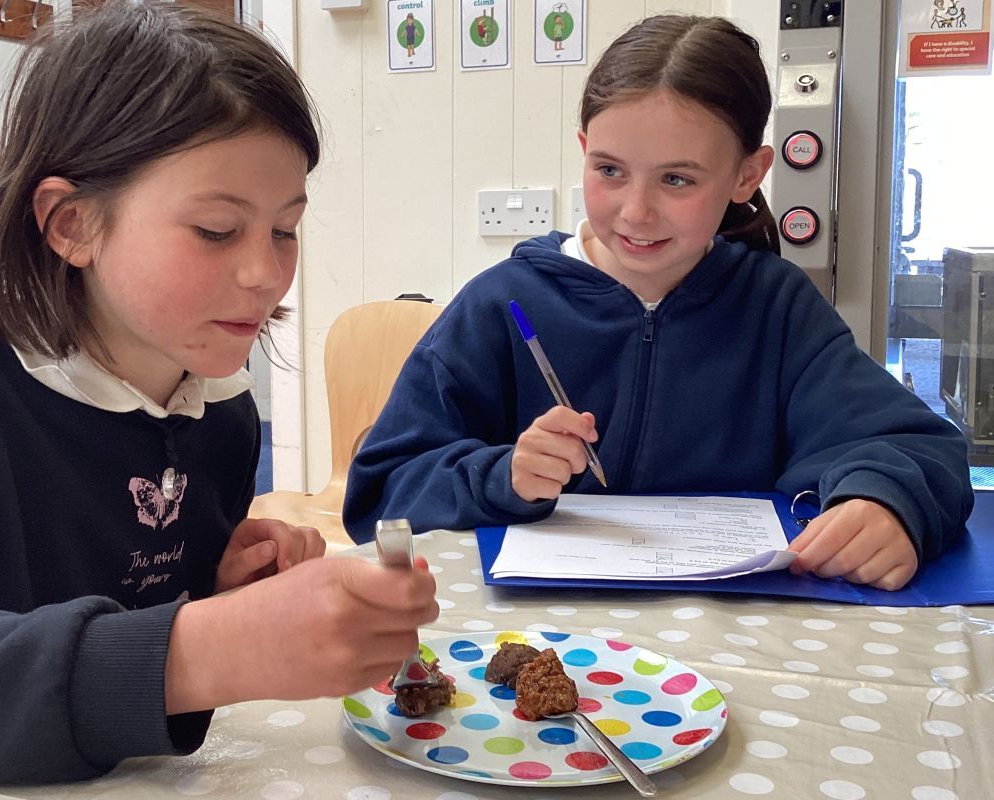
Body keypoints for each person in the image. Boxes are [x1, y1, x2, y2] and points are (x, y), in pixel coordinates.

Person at [0, 4, 437, 799]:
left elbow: (135, 652)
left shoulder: (220, 416)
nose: (266, 274)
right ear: (72, 225)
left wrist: (221, 595)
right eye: (214, 230)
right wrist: (201, 648)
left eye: (285, 230)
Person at [343, 15, 973, 592]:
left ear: (747, 175)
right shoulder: (503, 303)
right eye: (610, 170)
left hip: (742, 641)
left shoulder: (775, 308)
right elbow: (382, 488)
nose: (636, 211)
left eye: (677, 179)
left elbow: (920, 448)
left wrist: (886, 501)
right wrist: (500, 476)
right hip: (530, 645)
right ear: (583, 145)